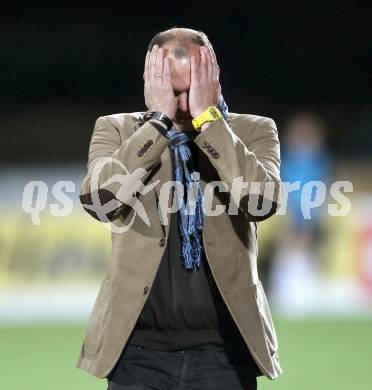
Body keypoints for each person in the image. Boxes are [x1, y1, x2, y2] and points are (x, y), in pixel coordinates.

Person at [76, 27, 284, 390]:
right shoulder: (117, 129)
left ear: (213, 78)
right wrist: (157, 123)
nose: (183, 104)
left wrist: (210, 122)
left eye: (192, 89)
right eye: (172, 92)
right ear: (151, 83)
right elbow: (100, 201)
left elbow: (261, 202)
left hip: (225, 356)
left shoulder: (253, 131)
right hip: (136, 355)